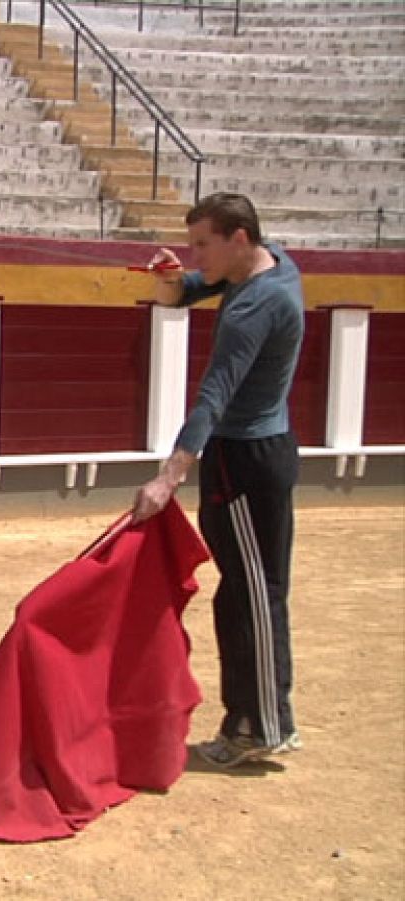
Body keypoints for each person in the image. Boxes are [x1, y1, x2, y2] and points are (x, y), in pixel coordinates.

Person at [131, 192, 305, 769]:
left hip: (244, 459)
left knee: (251, 593)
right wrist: (171, 280)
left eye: (202, 243)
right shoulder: (270, 262)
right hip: (263, 449)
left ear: (237, 238)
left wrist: (168, 476)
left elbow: (214, 395)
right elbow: (181, 296)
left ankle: (258, 725)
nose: (193, 253)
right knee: (252, 589)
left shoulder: (257, 305)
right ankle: (260, 720)